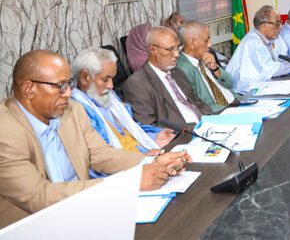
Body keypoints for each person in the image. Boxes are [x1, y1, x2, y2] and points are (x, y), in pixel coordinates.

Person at [0, 50, 190, 228]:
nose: (68, 93)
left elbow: (99, 153)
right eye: (60, 86)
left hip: (84, 213)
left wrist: (151, 162)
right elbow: (39, 196)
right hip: (35, 227)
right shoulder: (5, 130)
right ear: (29, 89)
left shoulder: (72, 111)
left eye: (69, 84)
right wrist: (129, 184)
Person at [71, 47, 175, 157]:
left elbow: (132, 128)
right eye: (105, 79)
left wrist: (155, 136)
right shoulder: (76, 111)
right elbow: (98, 157)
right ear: (84, 77)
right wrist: (142, 158)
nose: (111, 86)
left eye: (112, 79)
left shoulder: (109, 96)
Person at [121, 26, 212, 126]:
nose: (177, 54)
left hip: (206, 126)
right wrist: (192, 129)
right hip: (184, 133)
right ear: (153, 50)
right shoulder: (136, 84)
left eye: (177, 48)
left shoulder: (177, 72)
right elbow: (149, 126)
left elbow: (197, 102)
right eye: (170, 49)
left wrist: (211, 119)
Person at [225, 5, 290, 94]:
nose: (281, 27)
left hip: (259, 86)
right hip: (244, 92)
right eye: (277, 23)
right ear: (264, 26)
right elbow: (270, 70)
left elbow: (280, 59)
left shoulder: (269, 38)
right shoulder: (253, 42)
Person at [176, 21, 237, 113]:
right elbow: (198, 105)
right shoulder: (182, 68)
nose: (210, 44)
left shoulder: (205, 55)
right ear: (192, 43)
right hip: (220, 111)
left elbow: (230, 84)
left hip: (234, 100)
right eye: (206, 40)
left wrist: (215, 69)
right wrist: (228, 110)